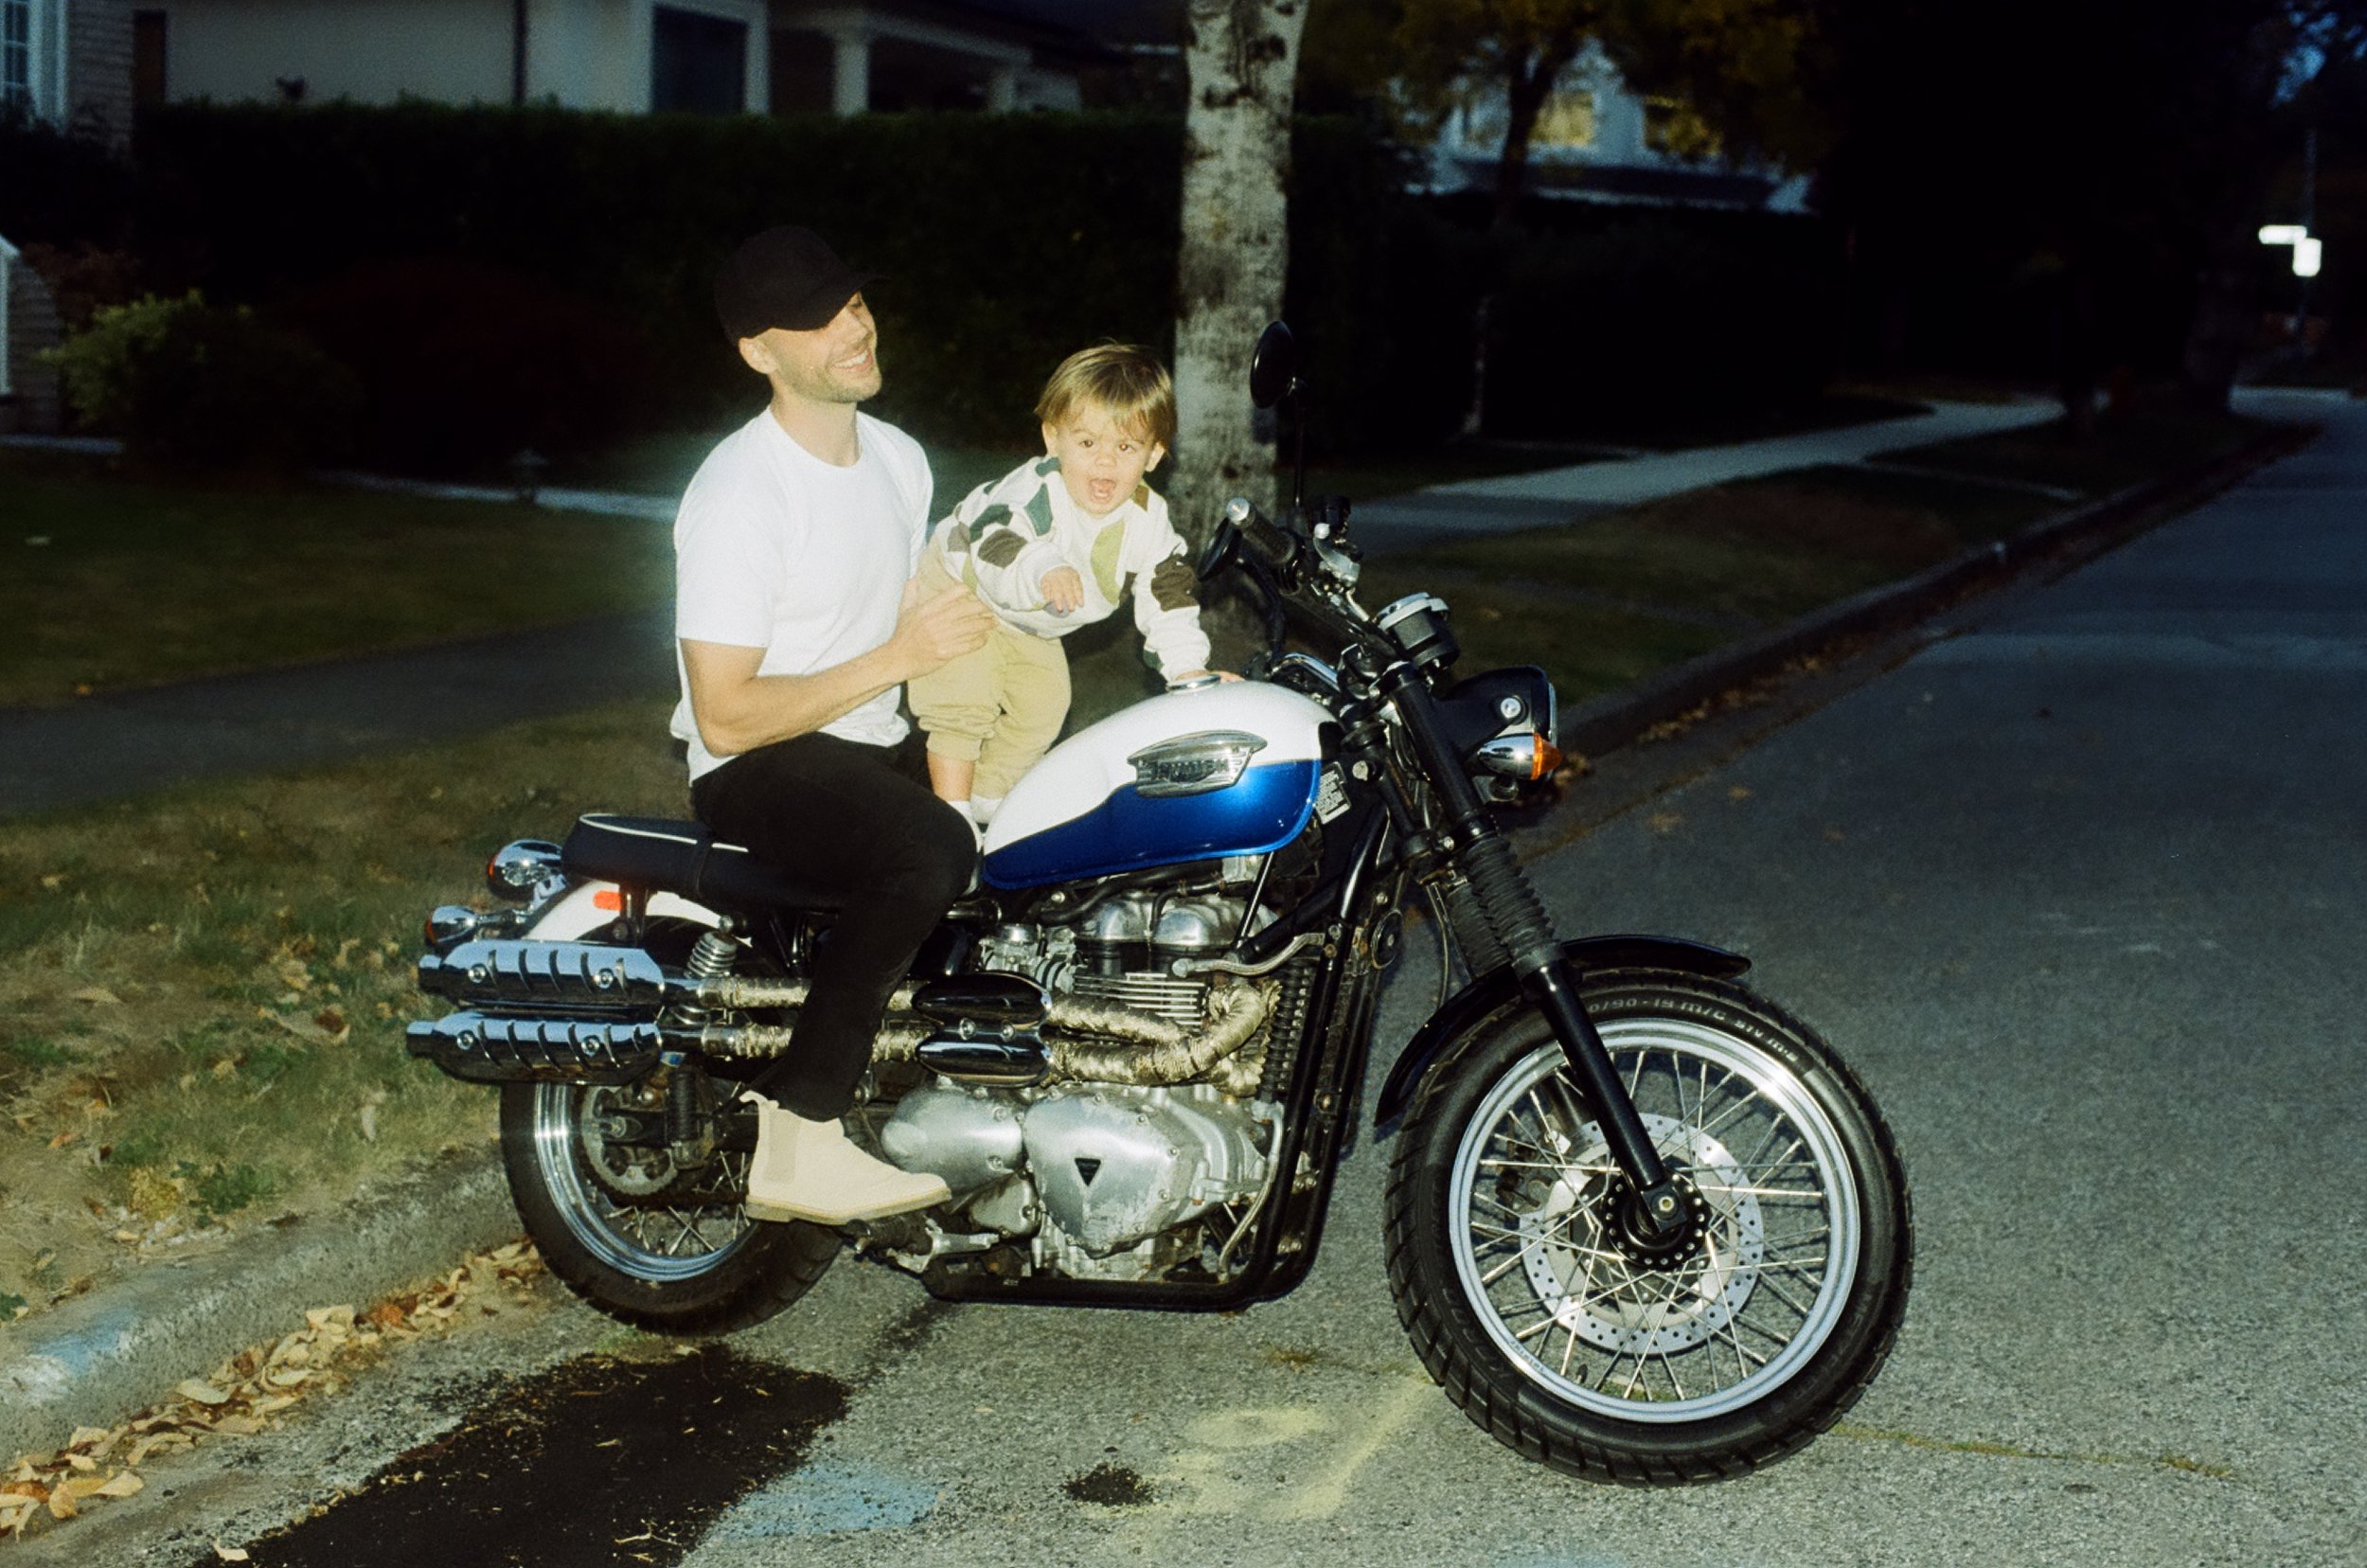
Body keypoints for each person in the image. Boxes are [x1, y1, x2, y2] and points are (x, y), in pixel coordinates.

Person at [671, 225, 996, 1226]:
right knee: (925, 845)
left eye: (851, 301)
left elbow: (923, 608)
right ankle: (800, 1135)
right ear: (758, 354)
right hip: (758, 761)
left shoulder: (898, 459)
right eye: (813, 320)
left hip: (867, 739)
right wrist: (899, 660)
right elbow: (725, 715)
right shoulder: (739, 494)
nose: (851, 328)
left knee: (1048, 830)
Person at [906, 344, 1218, 828]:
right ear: (1054, 439)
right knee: (964, 699)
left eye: (1126, 447)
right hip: (965, 582)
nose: (1105, 464)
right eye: (1087, 443)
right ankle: (949, 819)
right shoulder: (1036, 488)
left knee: (1046, 706)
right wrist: (1042, 565)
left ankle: (988, 800)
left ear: (1154, 454)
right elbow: (996, 535)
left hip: (1030, 621)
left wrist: (1187, 668)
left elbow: (1167, 592)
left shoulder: (1147, 518)